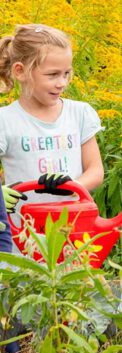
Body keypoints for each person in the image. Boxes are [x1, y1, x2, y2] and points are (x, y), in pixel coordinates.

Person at [0, 23, 104, 215]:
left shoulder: (79, 113)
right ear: (20, 71)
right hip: (23, 235)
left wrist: (73, 186)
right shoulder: (5, 121)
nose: (62, 83)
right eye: (53, 75)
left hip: (74, 228)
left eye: (66, 73)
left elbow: (95, 170)